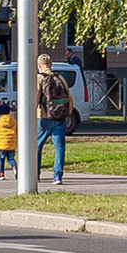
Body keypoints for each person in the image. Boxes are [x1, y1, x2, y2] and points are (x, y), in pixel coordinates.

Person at [34, 53, 77, 185]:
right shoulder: (60, 77)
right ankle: (57, 176)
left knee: (36, 146)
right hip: (60, 118)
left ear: (39, 65)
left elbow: (35, 98)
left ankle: (35, 174)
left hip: (43, 118)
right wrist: (66, 113)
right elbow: (70, 98)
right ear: (50, 65)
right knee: (59, 148)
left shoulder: (39, 78)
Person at [0, 103, 18, 177]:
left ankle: (1, 174)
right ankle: (14, 166)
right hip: (11, 144)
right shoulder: (14, 121)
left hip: (1, 145)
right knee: (11, 158)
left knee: (1, 159)